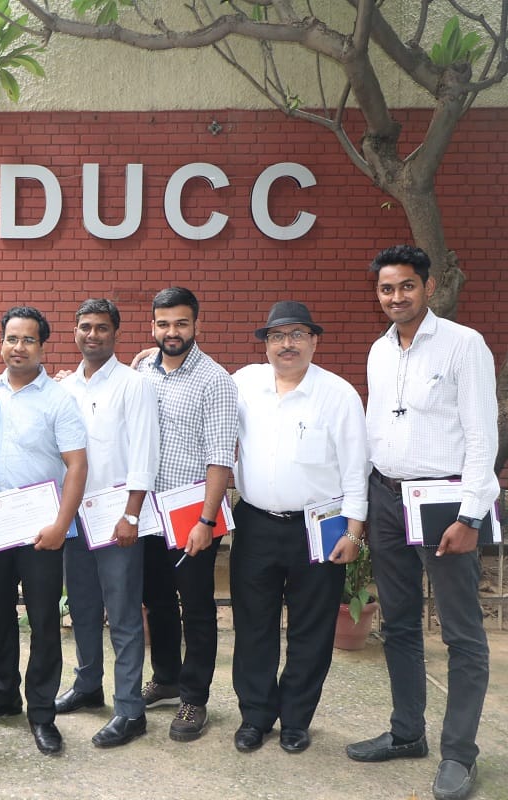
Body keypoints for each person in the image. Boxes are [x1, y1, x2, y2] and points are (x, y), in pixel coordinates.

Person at [347, 245, 498, 800]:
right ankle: (407, 732)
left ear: (428, 288)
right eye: (386, 289)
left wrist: (471, 514)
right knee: (400, 624)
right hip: (388, 498)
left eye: (406, 286)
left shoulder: (464, 345)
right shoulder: (379, 350)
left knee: (462, 633)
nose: (396, 297)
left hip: (445, 501)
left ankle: (459, 754)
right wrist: (364, 507)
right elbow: (375, 427)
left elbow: (483, 435)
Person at [230, 300, 369, 754]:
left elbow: (356, 469)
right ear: (265, 344)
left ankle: (295, 720)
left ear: (314, 341)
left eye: (296, 335)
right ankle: (255, 716)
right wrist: (148, 361)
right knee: (253, 626)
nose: (286, 345)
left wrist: (354, 532)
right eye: (276, 336)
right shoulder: (244, 383)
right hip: (255, 524)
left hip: (319, 527)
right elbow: (197, 388)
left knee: (311, 628)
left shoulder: (338, 395)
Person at [132, 287, 238, 742]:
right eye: (163, 324)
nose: (171, 332)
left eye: (180, 323)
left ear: (196, 324)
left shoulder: (216, 380)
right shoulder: (142, 370)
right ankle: (167, 678)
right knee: (156, 600)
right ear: (153, 326)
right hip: (149, 512)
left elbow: (221, 458)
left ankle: (195, 696)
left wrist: (207, 521)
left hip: (192, 513)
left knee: (195, 607)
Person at [0, 307, 87, 756]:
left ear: (42, 346)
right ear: (1, 343)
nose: (18, 347)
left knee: (44, 621)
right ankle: (4, 696)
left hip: (42, 530)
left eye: (28, 339)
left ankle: (41, 713)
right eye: (12, 338)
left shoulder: (59, 399)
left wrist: (62, 524)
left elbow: (77, 465)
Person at [55, 298, 159, 749]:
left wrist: (132, 513)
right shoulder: (64, 387)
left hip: (117, 518)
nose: (92, 335)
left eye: (101, 327)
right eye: (85, 327)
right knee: (81, 607)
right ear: (75, 332)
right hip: (74, 516)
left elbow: (145, 452)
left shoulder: (134, 385)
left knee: (123, 615)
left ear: (116, 333)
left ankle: (130, 709)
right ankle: (87, 684)